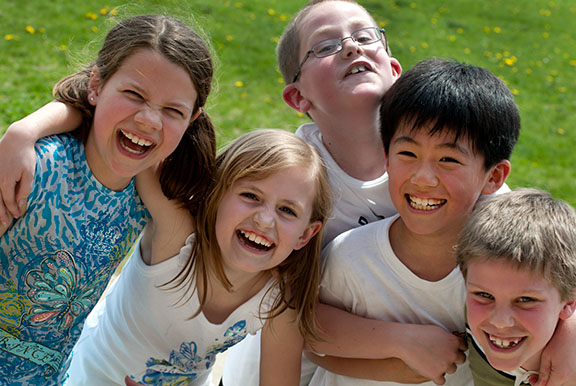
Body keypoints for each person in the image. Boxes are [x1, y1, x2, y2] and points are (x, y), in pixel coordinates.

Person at [0, 14, 216, 385]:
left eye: (172, 111)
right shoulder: (36, 169)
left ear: (192, 118)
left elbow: (192, 244)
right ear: (96, 85)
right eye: (134, 95)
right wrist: (24, 133)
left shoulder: (146, 196)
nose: (149, 120)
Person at [306, 58, 519, 386]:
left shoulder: (505, 271)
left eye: (448, 160)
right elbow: (312, 342)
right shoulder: (349, 258)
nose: (423, 179)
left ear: (494, 177)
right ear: (386, 157)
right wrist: (395, 366)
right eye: (408, 154)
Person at [222, 0, 403, 384]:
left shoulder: (437, 157)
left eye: (365, 36)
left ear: (395, 70)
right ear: (298, 98)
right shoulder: (290, 180)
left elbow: (517, 236)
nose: (352, 47)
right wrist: (405, 343)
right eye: (325, 46)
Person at [64, 129, 331, 385]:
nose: (264, 220)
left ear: (305, 235)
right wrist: (28, 130)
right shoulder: (177, 239)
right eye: (251, 195)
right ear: (216, 192)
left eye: (287, 210)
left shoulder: (279, 298)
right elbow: (131, 131)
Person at [457, 188, 576, 386]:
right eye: (485, 295)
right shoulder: (461, 304)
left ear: (569, 302)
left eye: (526, 300)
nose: (500, 321)